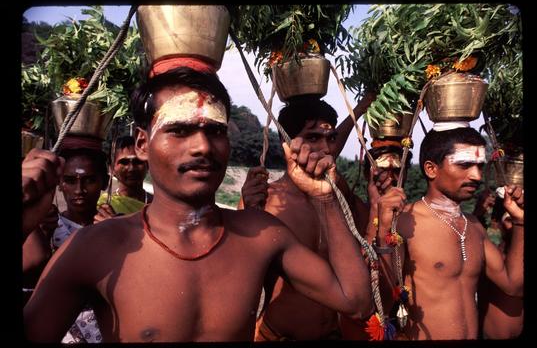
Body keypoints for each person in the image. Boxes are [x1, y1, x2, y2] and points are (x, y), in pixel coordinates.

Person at [23, 66, 373, 342]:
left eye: (215, 131)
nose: (203, 147)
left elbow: (355, 303)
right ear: (143, 144)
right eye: (179, 130)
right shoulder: (95, 246)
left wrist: (324, 199)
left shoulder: (261, 234)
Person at [239, 96, 402, 341]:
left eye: (331, 138)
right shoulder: (266, 201)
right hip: (278, 335)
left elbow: (369, 243)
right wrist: (250, 212)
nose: (326, 149)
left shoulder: (338, 192)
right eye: (313, 138)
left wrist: (378, 202)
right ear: (287, 142)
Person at [376, 126, 524, 340]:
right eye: (464, 165)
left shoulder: (473, 226)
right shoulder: (406, 222)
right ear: (431, 169)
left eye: (479, 166)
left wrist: (520, 222)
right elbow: (380, 299)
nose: (476, 176)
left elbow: (513, 285)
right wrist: (382, 231)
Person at [23, 145, 110, 342]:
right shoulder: (47, 226)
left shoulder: (119, 228)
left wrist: (113, 234)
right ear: (60, 184)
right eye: (70, 181)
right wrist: (42, 233)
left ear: (104, 182)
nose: (80, 190)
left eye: (89, 180)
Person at [338, 140, 411, 339]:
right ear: (369, 173)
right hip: (358, 323)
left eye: (396, 170)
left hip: (395, 321)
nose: (390, 177)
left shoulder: (410, 220)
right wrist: (375, 208)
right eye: (383, 169)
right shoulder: (352, 212)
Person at [476, 193, 524, 339]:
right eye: (510, 219)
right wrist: (478, 213)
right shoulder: (490, 256)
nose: (513, 227)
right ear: (497, 222)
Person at [95, 135, 153, 222]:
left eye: (137, 162)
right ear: (111, 168)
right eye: (124, 162)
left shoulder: (158, 203)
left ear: (147, 165)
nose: (131, 168)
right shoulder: (106, 205)